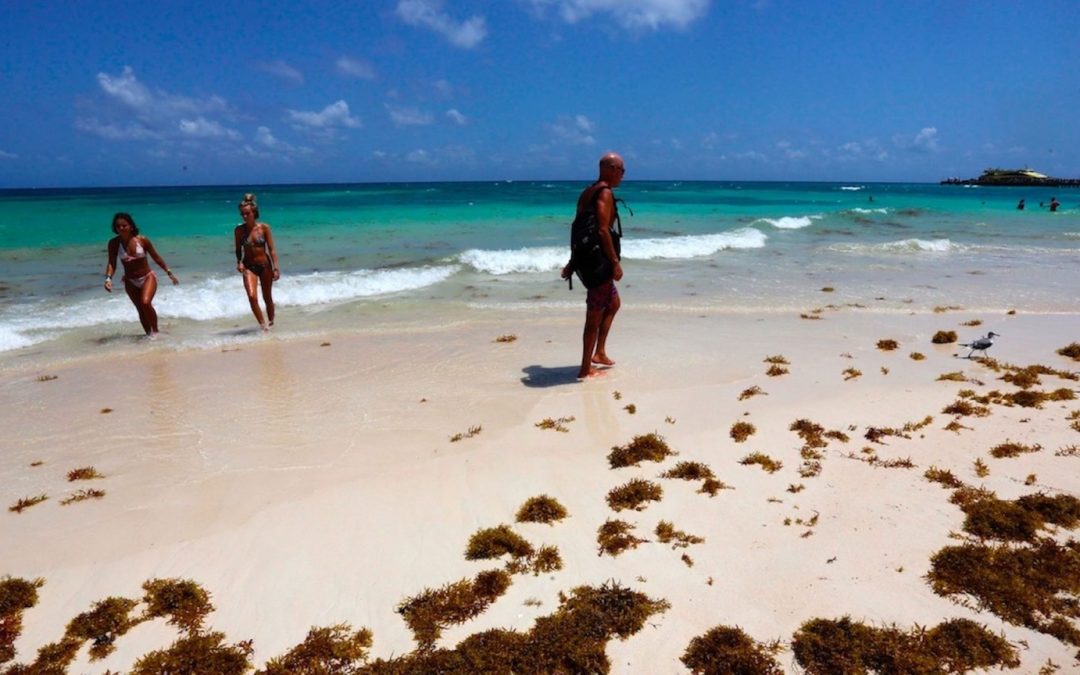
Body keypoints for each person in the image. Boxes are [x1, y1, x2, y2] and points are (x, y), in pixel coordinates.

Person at [561, 153, 625, 379]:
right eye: (621, 170)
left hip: (588, 259)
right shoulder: (604, 193)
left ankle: (599, 352)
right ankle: (585, 369)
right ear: (610, 168)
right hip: (599, 263)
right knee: (593, 316)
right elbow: (601, 229)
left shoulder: (588, 192)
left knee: (614, 303)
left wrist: (572, 261)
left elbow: (576, 227)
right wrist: (615, 263)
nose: (623, 175)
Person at [104, 212, 178, 338]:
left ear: (131, 226)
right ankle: (149, 335)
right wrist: (108, 278)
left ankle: (156, 332)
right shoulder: (114, 243)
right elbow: (112, 263)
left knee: (145, 303)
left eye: (124, 225)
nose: (121, 228)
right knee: (140, 308)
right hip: (130, 280)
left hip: (147, 277)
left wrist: (169, 272)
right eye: (118, 226)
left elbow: (156, 257)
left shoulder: (142, 240)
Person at [234, 193, 280, 330]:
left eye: (247, 213)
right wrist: (239, 262)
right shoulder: (239, 231)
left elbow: (271, 249)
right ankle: (263, 325)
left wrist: (276, 268)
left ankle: (271, 322)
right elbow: (238, 249)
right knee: (252, 297)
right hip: (249, 267)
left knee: (267, 297)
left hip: (265, 265)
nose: (244, 216)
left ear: (254, 212)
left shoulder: (264, 228)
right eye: (242, 214)